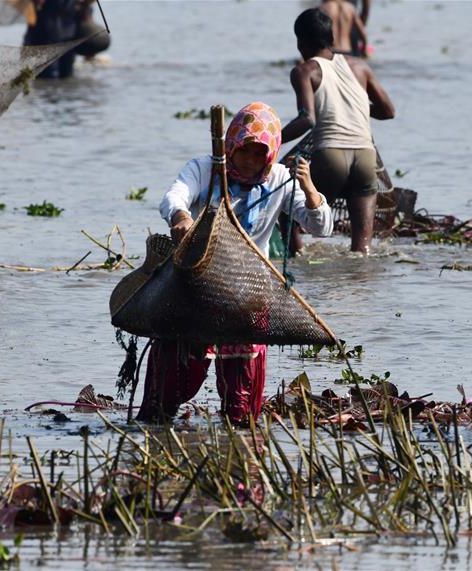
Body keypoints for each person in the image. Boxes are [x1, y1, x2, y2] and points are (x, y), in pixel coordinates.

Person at [136, 102, 333, 424]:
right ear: (232, 144)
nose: (252, 161)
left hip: (248, 289)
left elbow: (320, 228)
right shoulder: (205, 168)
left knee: (242, 390)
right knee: (174, 375)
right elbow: (173, 197)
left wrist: (310, 190)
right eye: (245, 151)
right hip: (196, 284)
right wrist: (181, 217)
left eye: (260, 154)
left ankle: (239, 437)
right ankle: (156, 425)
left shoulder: (281, 178)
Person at [281, 7, 395, 254]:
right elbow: (388, 111)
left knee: (287, 210)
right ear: (331, 38)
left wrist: (273, 139)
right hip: (366, 157)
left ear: (300, 42)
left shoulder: (304, 71)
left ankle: (297, 260)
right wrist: (356, 107)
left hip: (330, 156)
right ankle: (358, 287)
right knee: (362, 249)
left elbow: (307, 119)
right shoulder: (359, 66)